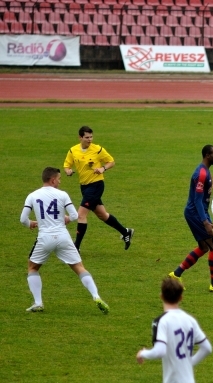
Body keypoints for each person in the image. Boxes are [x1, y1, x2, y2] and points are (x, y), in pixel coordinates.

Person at [20, 167, 109, 314]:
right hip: (63, 236)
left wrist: (32, 223)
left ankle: (38, 303)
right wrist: (65, 218)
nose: (60, 182)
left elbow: (23, 219)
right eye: (59, 179)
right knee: (79, 268)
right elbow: (75, 216)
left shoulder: (32, 196)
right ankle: (96, 296)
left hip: (45, 237)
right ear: (53, 180)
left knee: (33, 268)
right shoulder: (62, 195)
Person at [169, 145, 213, 294]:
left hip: (198, 212)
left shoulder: (205, 171)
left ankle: (175, 275)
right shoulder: (201, 174)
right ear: (207, 155)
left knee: (204, 247)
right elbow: (197, 200)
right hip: (195, 214)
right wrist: (205, 222)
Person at [63, 125, 133, 251]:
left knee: (81, 215)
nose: (90, 140)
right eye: (87, 137)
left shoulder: (97, 149)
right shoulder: (73, 151)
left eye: (91, 137)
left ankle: (76, 247)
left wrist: (102, 168)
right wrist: (68, 171)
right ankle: (125, 232)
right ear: (80, 137)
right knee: (102, 215)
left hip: (96, 185)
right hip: (84, 186)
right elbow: (67, 165)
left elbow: (111, 161)